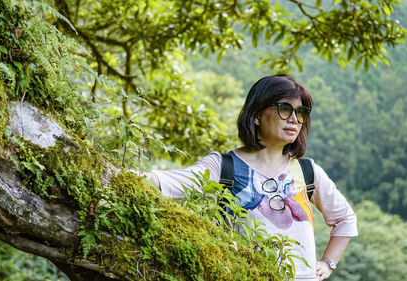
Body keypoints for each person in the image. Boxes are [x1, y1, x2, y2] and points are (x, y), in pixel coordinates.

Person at [145, 75, 358, 281]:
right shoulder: (225, 167)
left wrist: (328, 263)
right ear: (257, 115)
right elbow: (166, 182)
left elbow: (345, 219)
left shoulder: (308, 171)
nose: (294, 119)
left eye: (301, 113)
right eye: (284, 109)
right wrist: (116, 174)